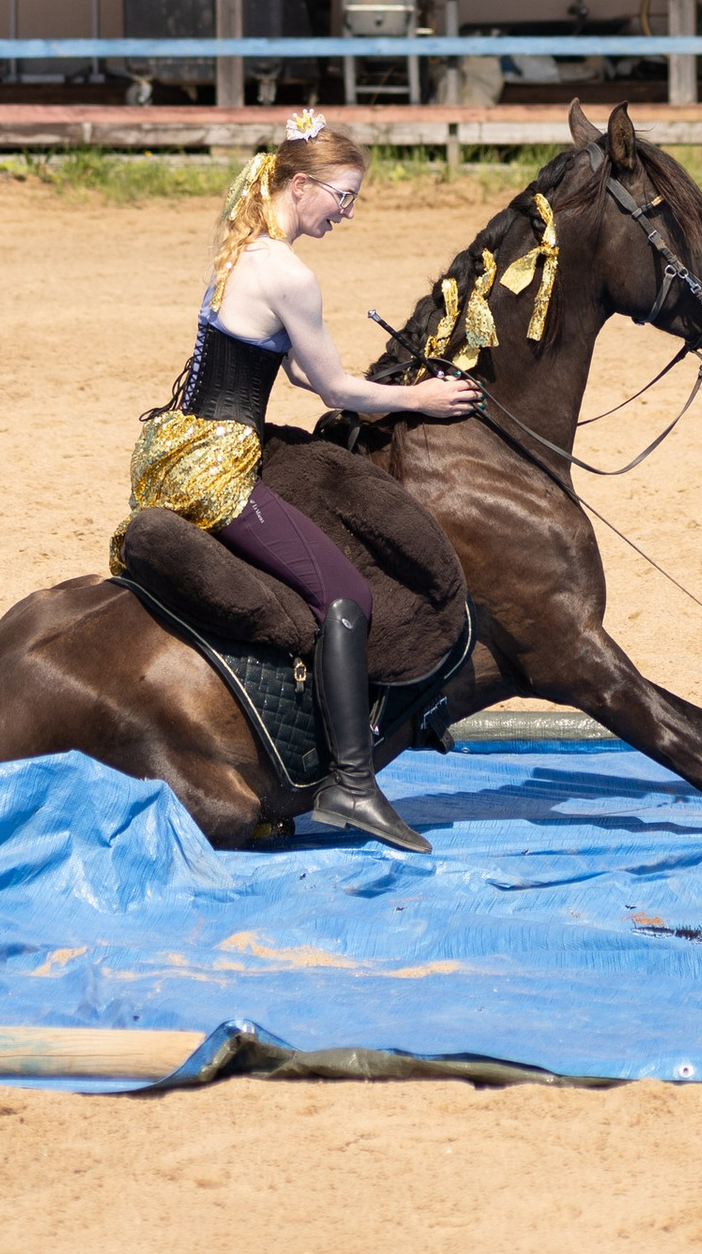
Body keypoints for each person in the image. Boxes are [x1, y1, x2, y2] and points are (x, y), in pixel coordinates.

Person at [123, 112, 475, 852]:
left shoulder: (245, 248)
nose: (347, 213)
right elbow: (335, 390)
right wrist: (422, 398)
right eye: (343, 197)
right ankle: (351, 782)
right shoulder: (290, 274)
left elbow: (293, 370)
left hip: (172, 449)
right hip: (216, 465)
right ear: (303, 184)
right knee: (347, 595)